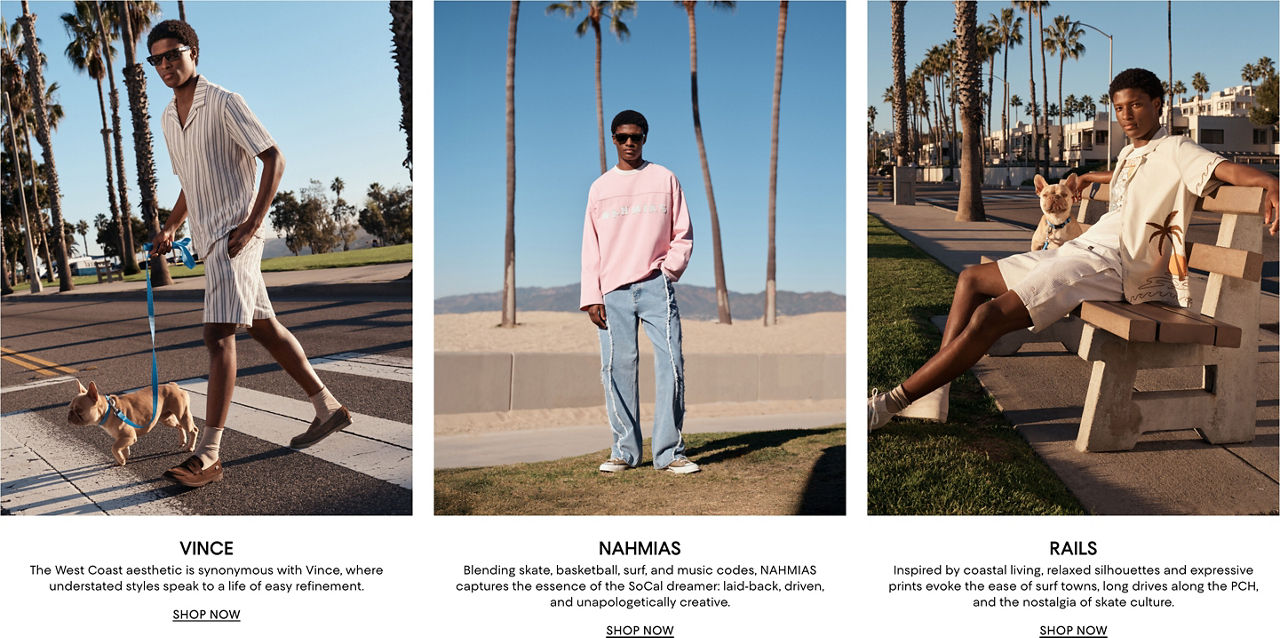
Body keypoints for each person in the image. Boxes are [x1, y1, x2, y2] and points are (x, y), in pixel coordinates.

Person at [869, 68, 1279, 430]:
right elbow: (1125, 174)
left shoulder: (1177, 149)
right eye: (1119, 108)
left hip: (1110, 265)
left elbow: (1222, 168)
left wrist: (1269, 182)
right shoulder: (1131, 153)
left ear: (1158, 104)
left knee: (988, 315)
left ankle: (890, 404)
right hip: (1081, 249)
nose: (1127, 115)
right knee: (971, 278)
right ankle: (935, 394)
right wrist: (1087, 176)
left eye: (1136, 105)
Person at [145, 20, 351, 487]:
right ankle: (328, 407)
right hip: (207, 235)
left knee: (218, 335)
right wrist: (171, 225)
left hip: (236, 235)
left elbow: (273, 156)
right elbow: (190, 182)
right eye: (156, 59)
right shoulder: (165, 118)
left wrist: (253, 223)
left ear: (193, 52)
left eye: (173, 54)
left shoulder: (223, 101)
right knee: (264, 326)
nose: (165, 65)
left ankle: (210, 454)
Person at [581, 110, 699, 474]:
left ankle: (669, 453)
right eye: (622, 137)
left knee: (672, 364)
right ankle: (624, 452)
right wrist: (592, 296)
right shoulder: (600, 187)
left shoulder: (665, 178)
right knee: (616, 369)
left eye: (636, 136)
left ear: (645, 138)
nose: (629, 143)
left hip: (655, 285)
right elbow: (591, 245)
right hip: (611, 291)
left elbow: (683, 233)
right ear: (612, 139)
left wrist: (667, 272)